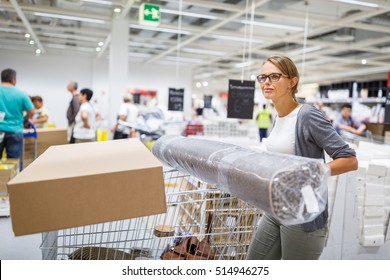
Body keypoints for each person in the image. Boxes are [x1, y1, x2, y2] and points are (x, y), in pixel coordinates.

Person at [247, 55, 358, 260]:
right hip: (275, 208)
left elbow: (350, 159)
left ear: (292, 81)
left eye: (274, 76)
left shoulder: (307, 115)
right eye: (262, 77)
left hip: (303, 212)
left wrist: (311, 172)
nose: (266, 82)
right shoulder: (278, 116)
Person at [0, 68, 34, 161]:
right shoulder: (21, 94)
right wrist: (25, 119)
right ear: (13, 79)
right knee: (13, 161)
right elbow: (31, 111)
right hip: (15, 131)